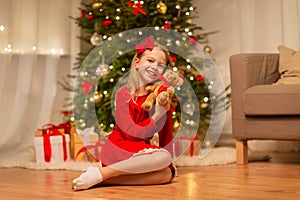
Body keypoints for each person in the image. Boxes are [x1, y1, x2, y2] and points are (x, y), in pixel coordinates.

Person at [72, 37, 177, 191]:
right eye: (150, 60)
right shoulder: (124, 94)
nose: (154, 67)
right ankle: (106, 171)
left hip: (139, 150)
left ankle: (102, 178)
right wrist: (156, 117)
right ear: (137, 62)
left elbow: (165, 132)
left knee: (166, 174)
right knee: (163, 159)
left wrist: (169, 160)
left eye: (160, 65)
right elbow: (131, 135)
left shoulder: (161, 96)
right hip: (119, 147)